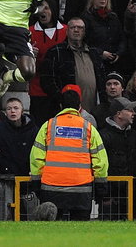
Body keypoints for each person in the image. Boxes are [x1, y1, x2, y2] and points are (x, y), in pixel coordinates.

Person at [29, 88, 109, 220]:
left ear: (61, 106)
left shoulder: (48, 126)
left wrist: (36, 183)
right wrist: (101, 186)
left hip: (51, 188)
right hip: (81, 189)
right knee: (79, 233)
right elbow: (100, 160)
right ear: (79, 107)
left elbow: (37, 158)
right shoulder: (88, 128)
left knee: (52, 232)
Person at [40, 17, 105, 113]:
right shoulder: (55, 52)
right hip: (65, 109)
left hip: (94, 109)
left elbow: (102, 79)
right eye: (72, 27)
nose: (76, 30)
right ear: (66, 31)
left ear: (84, 32)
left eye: (80, 28)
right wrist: (63, 99)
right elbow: (47, 81)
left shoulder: (94, 53)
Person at [29, 0, 68, 125]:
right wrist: (31, 56)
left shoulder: (66, 30)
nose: (42, 11)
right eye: (40, 8)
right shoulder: (30, 32)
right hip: (38, 89)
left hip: (62, 88)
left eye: (46, 8)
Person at [0, 97, 37, 174]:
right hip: (3, 176)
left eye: (16, 108)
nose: (12, 111)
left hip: (26, 176)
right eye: (9, 109)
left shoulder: (33, 130)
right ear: (5, 112)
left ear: (22, 111)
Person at [99, 96, 136, 176]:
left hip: (132, 186)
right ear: (119, 114)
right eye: (130, 110)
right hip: (111, 186)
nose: (134, 113)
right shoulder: (103, 136)